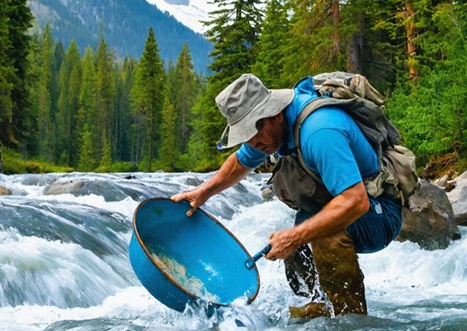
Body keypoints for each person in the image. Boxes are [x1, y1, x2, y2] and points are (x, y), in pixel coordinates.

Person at [171, 73, 403, 318]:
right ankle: (317, 307)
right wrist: (203, 192)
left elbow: (356, 201)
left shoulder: (320, 131)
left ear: (276, 114)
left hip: (378, 209)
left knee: (318, 237)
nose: (252, 142)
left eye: (254, 130)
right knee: (295, 242)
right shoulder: (268, 132)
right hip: (337, 203)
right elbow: (241, 161)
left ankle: (350, 324)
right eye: (245, 134)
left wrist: (294, 237)